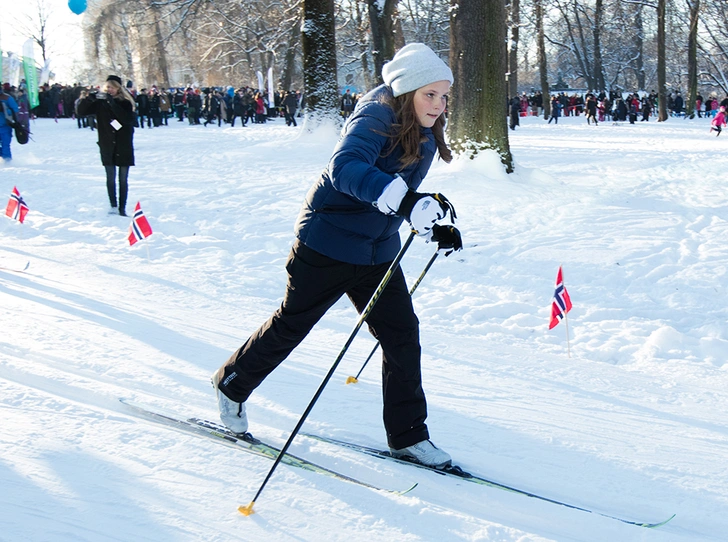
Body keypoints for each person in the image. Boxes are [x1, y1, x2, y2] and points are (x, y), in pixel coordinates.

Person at [211, 43, 463, 468]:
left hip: (376, 251)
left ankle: (408, 436)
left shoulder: (419, 125)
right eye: (429, 94)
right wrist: (404, 204)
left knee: (402, 334)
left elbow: (398, 187)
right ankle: (230, 385)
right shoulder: (376, 115)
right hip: (326, 243)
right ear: (406, 91)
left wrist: (430, 219)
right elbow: (345, 168)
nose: (438, 105)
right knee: (292, 325)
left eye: (443, 96)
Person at [76, 75, 136, 216]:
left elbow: (126, 119)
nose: (109, 90)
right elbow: (81, 112)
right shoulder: (100, 103)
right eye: (108, 87)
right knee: (110, 177)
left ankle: (122, 207)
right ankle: (113, 205)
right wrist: (88, 98)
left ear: (118, 89)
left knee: (122, 179)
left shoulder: (125, 102)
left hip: (123, 144)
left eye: (112, 87)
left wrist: (112, 103)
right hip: (107, 144)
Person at [0, 85, 20, 161]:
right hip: (5, 125)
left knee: (5, 145)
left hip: (5, 126)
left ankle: (7, 162)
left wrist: (5, 110)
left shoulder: (7, 98)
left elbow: (15, 110)